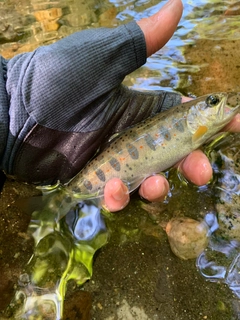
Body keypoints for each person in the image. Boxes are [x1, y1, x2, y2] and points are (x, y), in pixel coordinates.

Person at [0, 0, 239, 212]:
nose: (219, 103)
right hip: (81, 174)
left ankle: (60, 205)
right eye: (213, 101)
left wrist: (11, 100)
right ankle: (61, 203)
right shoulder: (196, 126)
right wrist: (16, 100)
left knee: (151, 186)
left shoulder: (199, 127)